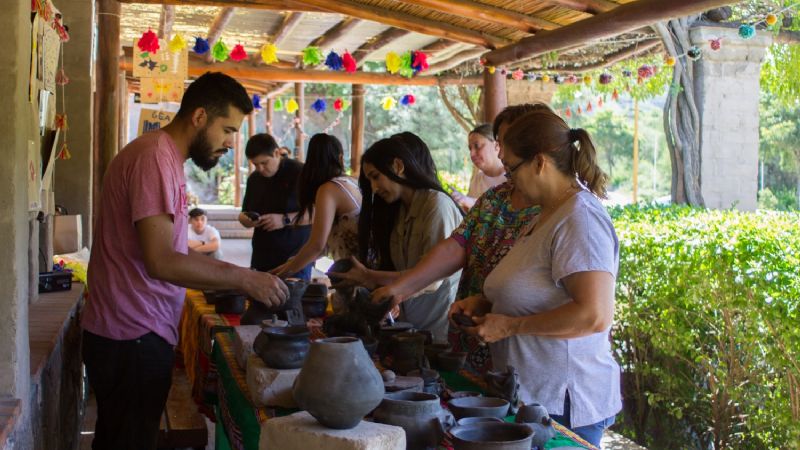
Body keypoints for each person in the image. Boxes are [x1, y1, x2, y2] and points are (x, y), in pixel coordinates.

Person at [83, 72, 289, 450]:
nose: (230, 143)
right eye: (227, 129)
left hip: (131, 333)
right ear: (198, 117)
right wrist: (244, 278)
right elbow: (162, 261)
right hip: (132, 335)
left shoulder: (162, 157)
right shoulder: (153, 158)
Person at [449, 108, 621, 446]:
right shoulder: (545, 214)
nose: (509, 179)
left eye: (512, 168)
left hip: (565, 403)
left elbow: (594, 315)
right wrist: (488, 303)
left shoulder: (579, 219)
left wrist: (509, 326)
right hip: (532, 396)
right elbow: (538, 288)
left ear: (540, 163)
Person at [367, 104, 546, 374]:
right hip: (481, 358)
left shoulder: (566, 211)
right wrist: (398, 290)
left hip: (539, 371)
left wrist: (511, 324)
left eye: (508, 144)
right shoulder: (496, 198)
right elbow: (456, 246)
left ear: (539, 152)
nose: (502, 153)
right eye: (499, 143)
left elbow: (592, 315)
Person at [333, 133, 462, 343]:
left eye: (376, 176)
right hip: (410, 327)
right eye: (370, 180)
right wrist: (372, 280)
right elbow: (404, 271)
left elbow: (432, 278)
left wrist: (374, 279)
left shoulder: (437, 205)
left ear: (398, 166)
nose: (374, 188)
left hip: (440, 331)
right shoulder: (399, 210)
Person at [271, 133, 361, 277]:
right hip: (364, 269)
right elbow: (321, 247)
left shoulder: (329, 189)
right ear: (340, 158)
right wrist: (287, 267)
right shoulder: (352, 181)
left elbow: (316, 245)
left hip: (358, 273)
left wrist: (280, 276)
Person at [238, 133, 313, 280]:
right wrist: (245, 220)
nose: (260, 169)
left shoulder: (301, 173)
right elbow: (244, 213)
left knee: (292, 301)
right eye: (255, 164)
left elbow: (317, 214)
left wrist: (284, 220)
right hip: (262, 255)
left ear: (277, 153)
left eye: (264, 163)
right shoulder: (254, 179)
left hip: (295, 256)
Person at [451, 124, 506, 211]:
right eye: (470, 149)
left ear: (497, 145)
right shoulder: (477, 180)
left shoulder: (513, 177)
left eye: (477, 146)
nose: (472, 154)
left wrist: (473, 202)